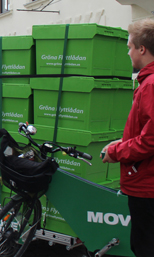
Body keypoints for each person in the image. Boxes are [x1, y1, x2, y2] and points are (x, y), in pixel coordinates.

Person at [102, 18, 154, 257]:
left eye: (130, 46)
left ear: (142, 49)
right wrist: (123, 143)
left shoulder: (151, 85)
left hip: (147, 186)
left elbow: (150, 140)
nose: (128, 52)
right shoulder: (146, 82)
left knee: (144, 247)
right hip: (146, 181)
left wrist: (115, 152)